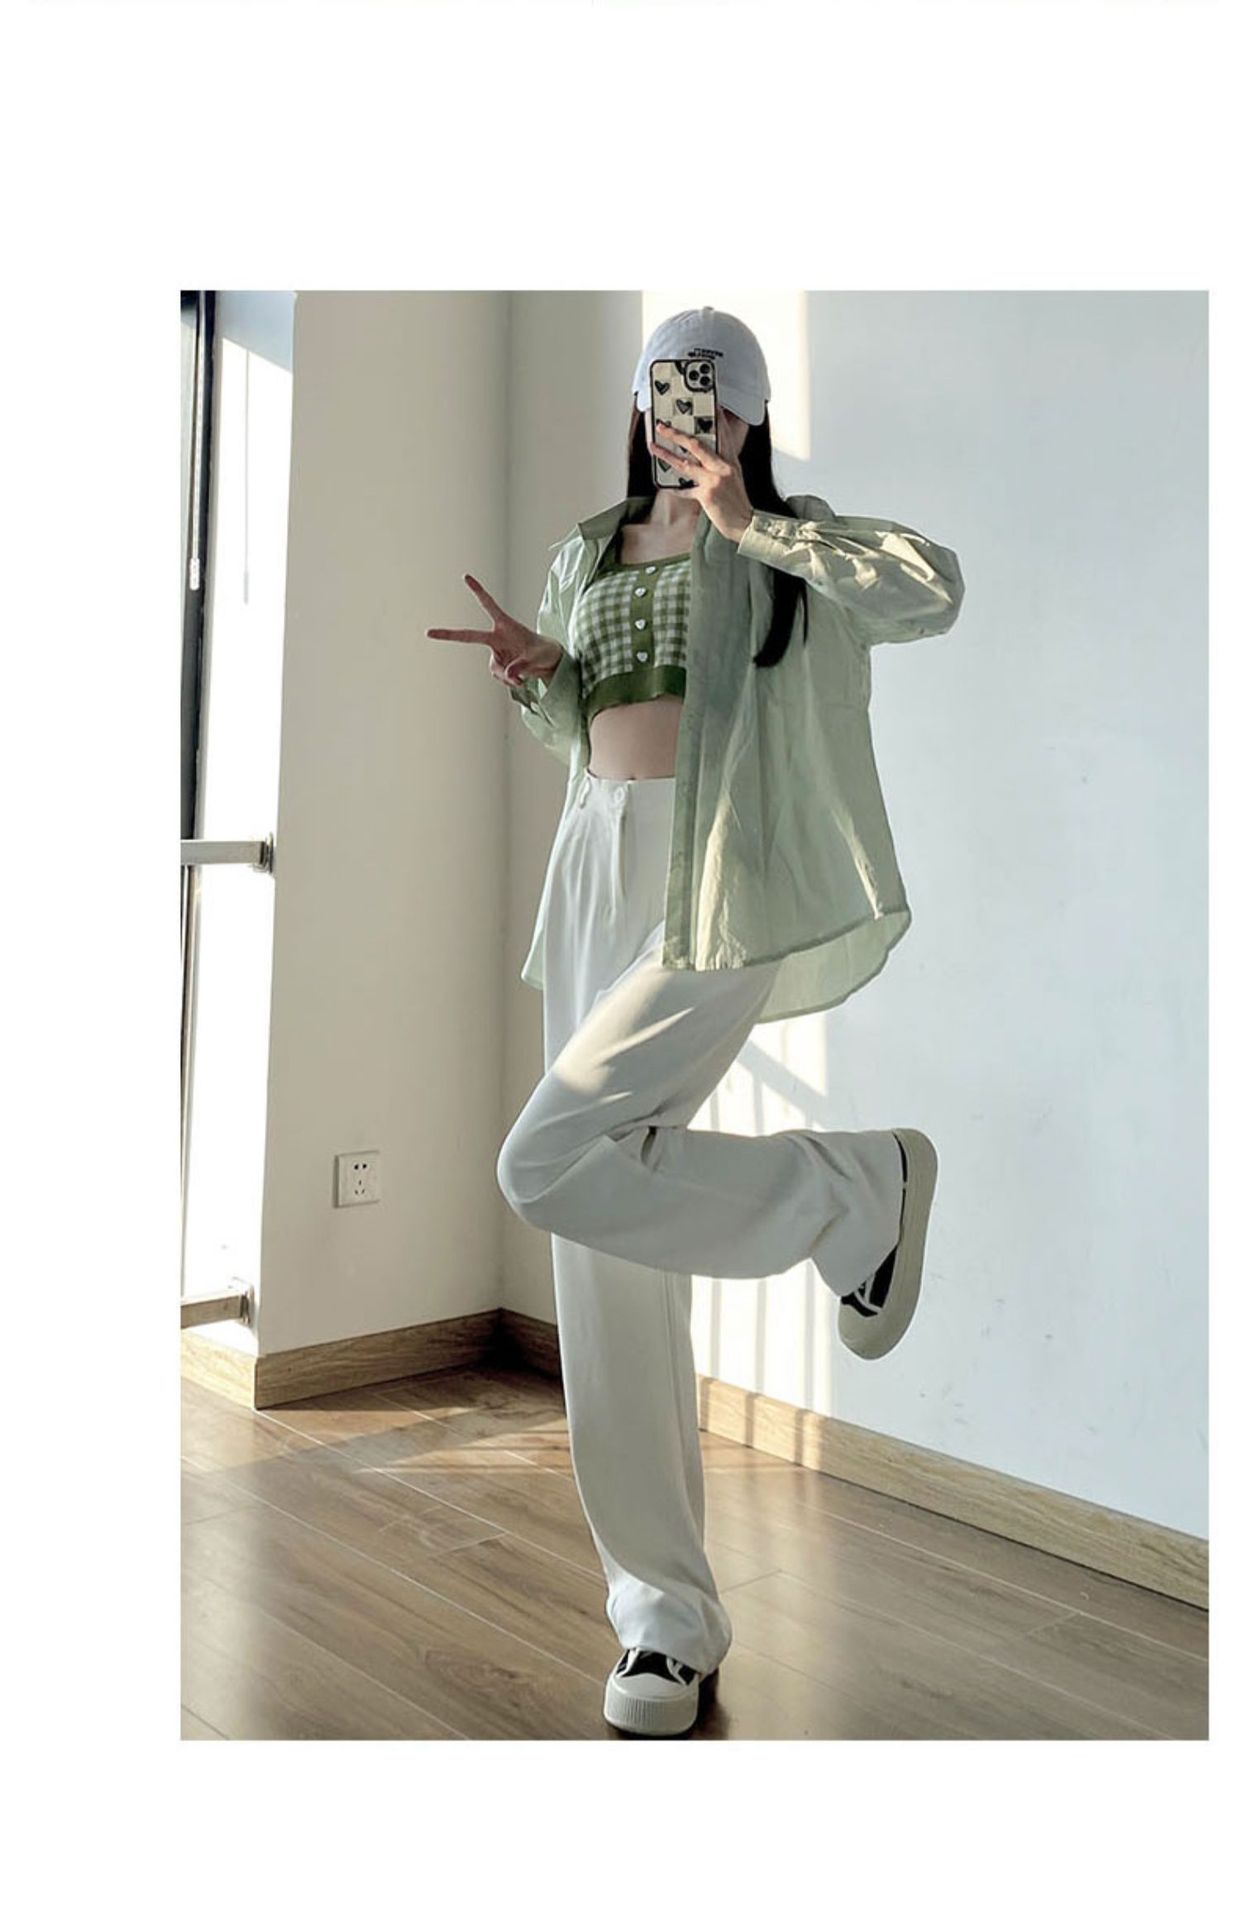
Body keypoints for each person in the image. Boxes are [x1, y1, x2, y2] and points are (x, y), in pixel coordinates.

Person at [425, 306, 965, 1737]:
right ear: (640, 405)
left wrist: (752, 521)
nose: (688, 426)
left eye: (714, 405)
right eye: (670, 400)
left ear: (752, 414)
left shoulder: (785, 539)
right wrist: (545, 677)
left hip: (717, 877)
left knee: (540, 1162)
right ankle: (662, 1621)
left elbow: (931, 591)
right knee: (601, 1255)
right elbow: (590, 732)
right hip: (595, 866)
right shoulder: (591, 548)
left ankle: (852, 1190)